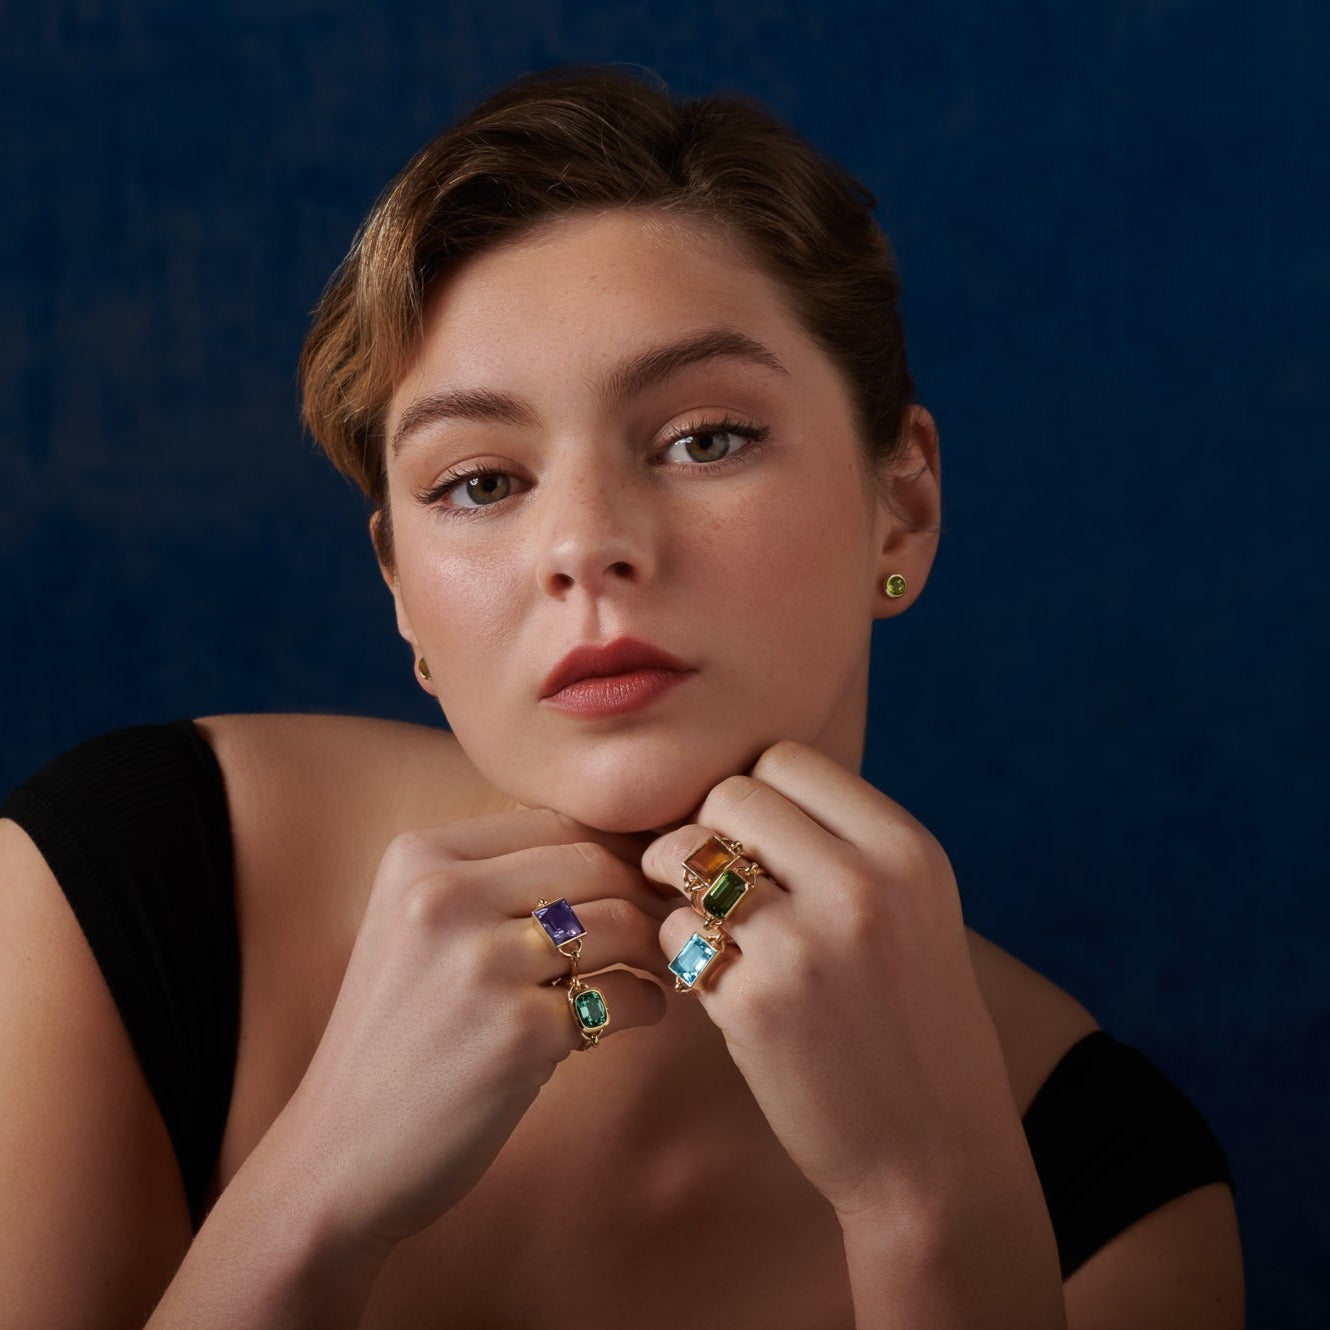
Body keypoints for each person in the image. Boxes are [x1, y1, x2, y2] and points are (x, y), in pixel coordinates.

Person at [0, 67, 1242, 1329]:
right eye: (480, 482)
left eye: (705, 437)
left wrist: (931, 1207)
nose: (584, 545)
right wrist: (312, 1197)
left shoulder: (1118, 1188)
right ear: (402, 599)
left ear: (902, 504)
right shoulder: (116, 890)